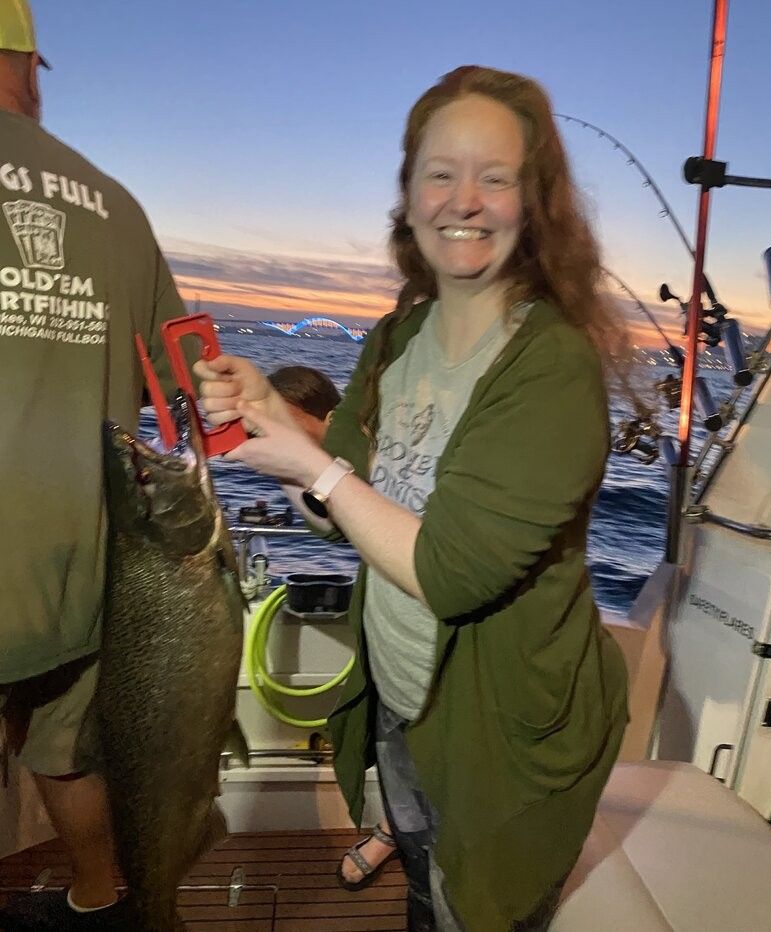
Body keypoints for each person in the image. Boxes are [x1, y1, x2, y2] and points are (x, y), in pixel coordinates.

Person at [195, 65, 628, 931]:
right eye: (440, 172)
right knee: (425, 889)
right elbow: (344, 500)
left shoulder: (554, 369)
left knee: (479, 909)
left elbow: (452, 573)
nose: (463, 200)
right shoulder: (399, 332)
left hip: (505, 732)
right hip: (402, 695)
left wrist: (313, 469)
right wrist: (275, 416)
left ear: (533, 200)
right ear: (408, 193)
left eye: (494, 177)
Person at [0, 4, 188, 930]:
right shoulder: (117, 203)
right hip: (88, 567)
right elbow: (192, 380)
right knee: (63, 751)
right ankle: (101, 900)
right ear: (29, 65)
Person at [268, 364, 402, 889]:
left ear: (330, 416)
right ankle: (393, 830)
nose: (278, 438)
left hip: (427, 625)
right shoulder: (319, 466)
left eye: (288, 425)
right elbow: (328, 526)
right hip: (383, 626)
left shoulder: (381, 453)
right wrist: (285, 467)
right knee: (389, 740)